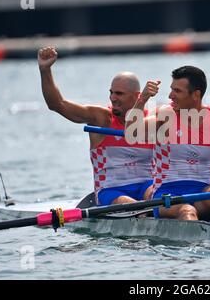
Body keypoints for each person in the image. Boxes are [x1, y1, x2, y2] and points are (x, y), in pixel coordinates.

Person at [125, 65, 210, 220]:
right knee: (187, 211)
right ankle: (196, 239)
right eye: (171, 89)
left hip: (201, 192)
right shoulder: (165, 116)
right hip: (166, 195)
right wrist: (142, 100)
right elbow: (131, 132)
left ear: (196, 94)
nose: (170, 96)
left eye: (177, 91)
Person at [38, 47, 157, 206]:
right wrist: (45, 70)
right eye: (111, 92)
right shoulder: (101, 118)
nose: (112, 98)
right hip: (111, 190)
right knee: (131, 205)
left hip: (147, 186)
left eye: (119, 94)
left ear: (137, 96)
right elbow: (57, 104)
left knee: (159, 197)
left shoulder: (151, 121)